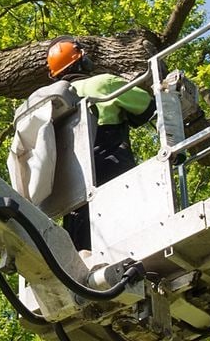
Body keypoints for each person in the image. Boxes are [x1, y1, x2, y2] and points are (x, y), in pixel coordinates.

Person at [47, 39, 154, 250]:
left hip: (72, 197)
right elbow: (148, 107)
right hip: (113, 176)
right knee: (130, 248)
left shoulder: (50, 105)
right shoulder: (103, 83)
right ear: (83, 61)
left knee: (82, 258)